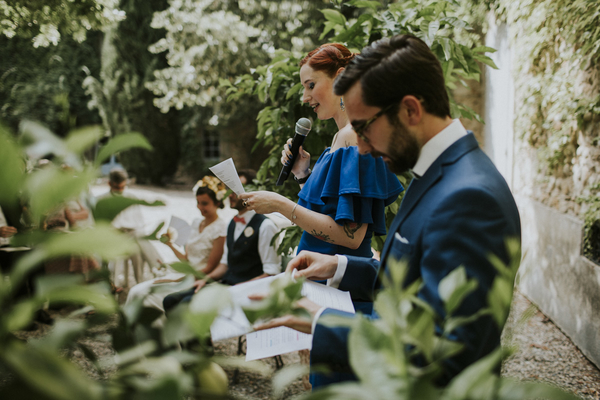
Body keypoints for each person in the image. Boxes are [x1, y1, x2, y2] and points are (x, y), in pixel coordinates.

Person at [250, 34, 522, 388]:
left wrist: (322, 321)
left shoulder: (470, 197)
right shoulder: (440, 172)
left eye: (365, 128)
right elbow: (415, 280)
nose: (360, 147)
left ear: (410, 110)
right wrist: (341, 266)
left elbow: (448, 353)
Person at [239, 43, 403, 297]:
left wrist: (279, 204)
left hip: (337, 288)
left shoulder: (356, 138)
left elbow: (351, 236)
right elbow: (330, 213)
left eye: (311, 85)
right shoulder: (340, 140)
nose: (304, 97)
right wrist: (303, 174)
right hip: (318, 282)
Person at [162, 169, 282, 310]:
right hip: (225, 286)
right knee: (169, 301)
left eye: (236, 190)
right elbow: (224, 265)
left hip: (246, 292)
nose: (229, 195)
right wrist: (205, 280)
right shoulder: (232, 223)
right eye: (229, 189)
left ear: (251, 192)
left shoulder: (265, 226)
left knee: (184, 306)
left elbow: (271, 273)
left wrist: (239, 289)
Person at [126, 176, 228, 315]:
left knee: (146, 294)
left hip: (198, 279)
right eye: (198, 202)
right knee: (135, 291)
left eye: (204, 203)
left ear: (217, 202)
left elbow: (210, 267)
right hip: (183, 273)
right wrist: (170, 245)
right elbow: (186, 259)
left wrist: (182, 279)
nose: (200, 207)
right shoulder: (196, 222)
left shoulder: (220, 229)